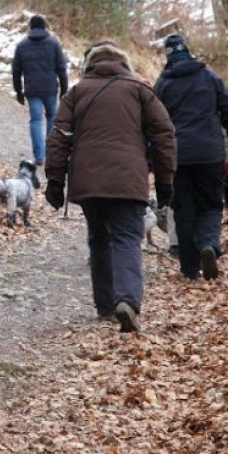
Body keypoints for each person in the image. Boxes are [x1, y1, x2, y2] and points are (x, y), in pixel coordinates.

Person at [44, 41, 176, 333]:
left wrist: (55, 180)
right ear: (124, 63)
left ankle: (104, 305)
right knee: (127, 238)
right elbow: (165, 134)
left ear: (90, 65)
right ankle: (126, 301)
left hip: (88, 180)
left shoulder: (77, 92)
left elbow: (59, 136)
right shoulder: (140, 89)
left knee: (98, 238)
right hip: (128, 178)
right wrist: (165, 180)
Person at [153, 34, 228, 281]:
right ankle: (208, 244)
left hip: (177, 156)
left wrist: (154, 158)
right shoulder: (209, 76)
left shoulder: (163, 83)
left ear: (168, 56)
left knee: (183, 209)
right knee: (211, 204)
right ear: (188, 50)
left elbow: (154, 122)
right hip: (210, 153)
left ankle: (190, 269)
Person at [12, 14, 69, 166]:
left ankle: (39, 156)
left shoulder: (22, 45)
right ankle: (50, 151)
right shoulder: (54, 43)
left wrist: (18, 91)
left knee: (36, 120)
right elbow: (61, 69)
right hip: (50, 89)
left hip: (32, 89)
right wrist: (64, 89)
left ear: (30, 27)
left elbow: (16, 71)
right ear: (45, 26)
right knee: (52, 118)